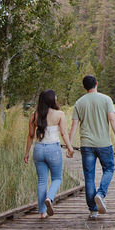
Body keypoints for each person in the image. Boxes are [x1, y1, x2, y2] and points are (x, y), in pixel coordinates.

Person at [69, 74, 115, 220]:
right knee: (109, 169)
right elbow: (112, 119)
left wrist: (70, 145)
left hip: (86, 145)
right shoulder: (106, 99)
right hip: (104, 143)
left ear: (84, 87)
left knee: (89, 177)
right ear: (96, 84)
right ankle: (101, 193)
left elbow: (74, 125)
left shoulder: (79, 103)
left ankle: (93, 210)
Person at [24, 89, 74, 219]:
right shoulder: (59, 114)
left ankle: (42, 212)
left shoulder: (34, 115)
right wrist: (70, 148)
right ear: (52, 100)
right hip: (53, 150)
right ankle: (50, 198)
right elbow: (63, 133)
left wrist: (27, 153)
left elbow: (30, 136)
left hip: (38, 149)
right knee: (57, 178)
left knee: (42, 181)